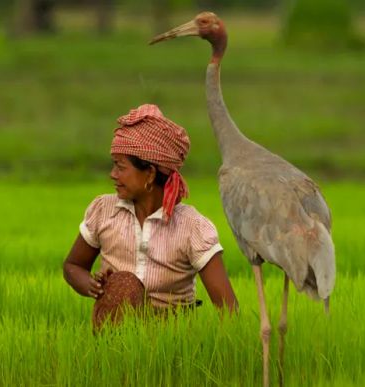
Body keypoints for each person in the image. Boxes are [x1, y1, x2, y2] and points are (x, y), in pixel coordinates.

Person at [63, 104, 238, 314]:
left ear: (150, 174)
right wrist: (93, 285)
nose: (112, 174)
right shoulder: (104, 210)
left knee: (125, 284)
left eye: (120, 167)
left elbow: (228, 309)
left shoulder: (192, 227)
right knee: (123, 284)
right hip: (118, 337)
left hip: (172, 338)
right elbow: (73, 266)